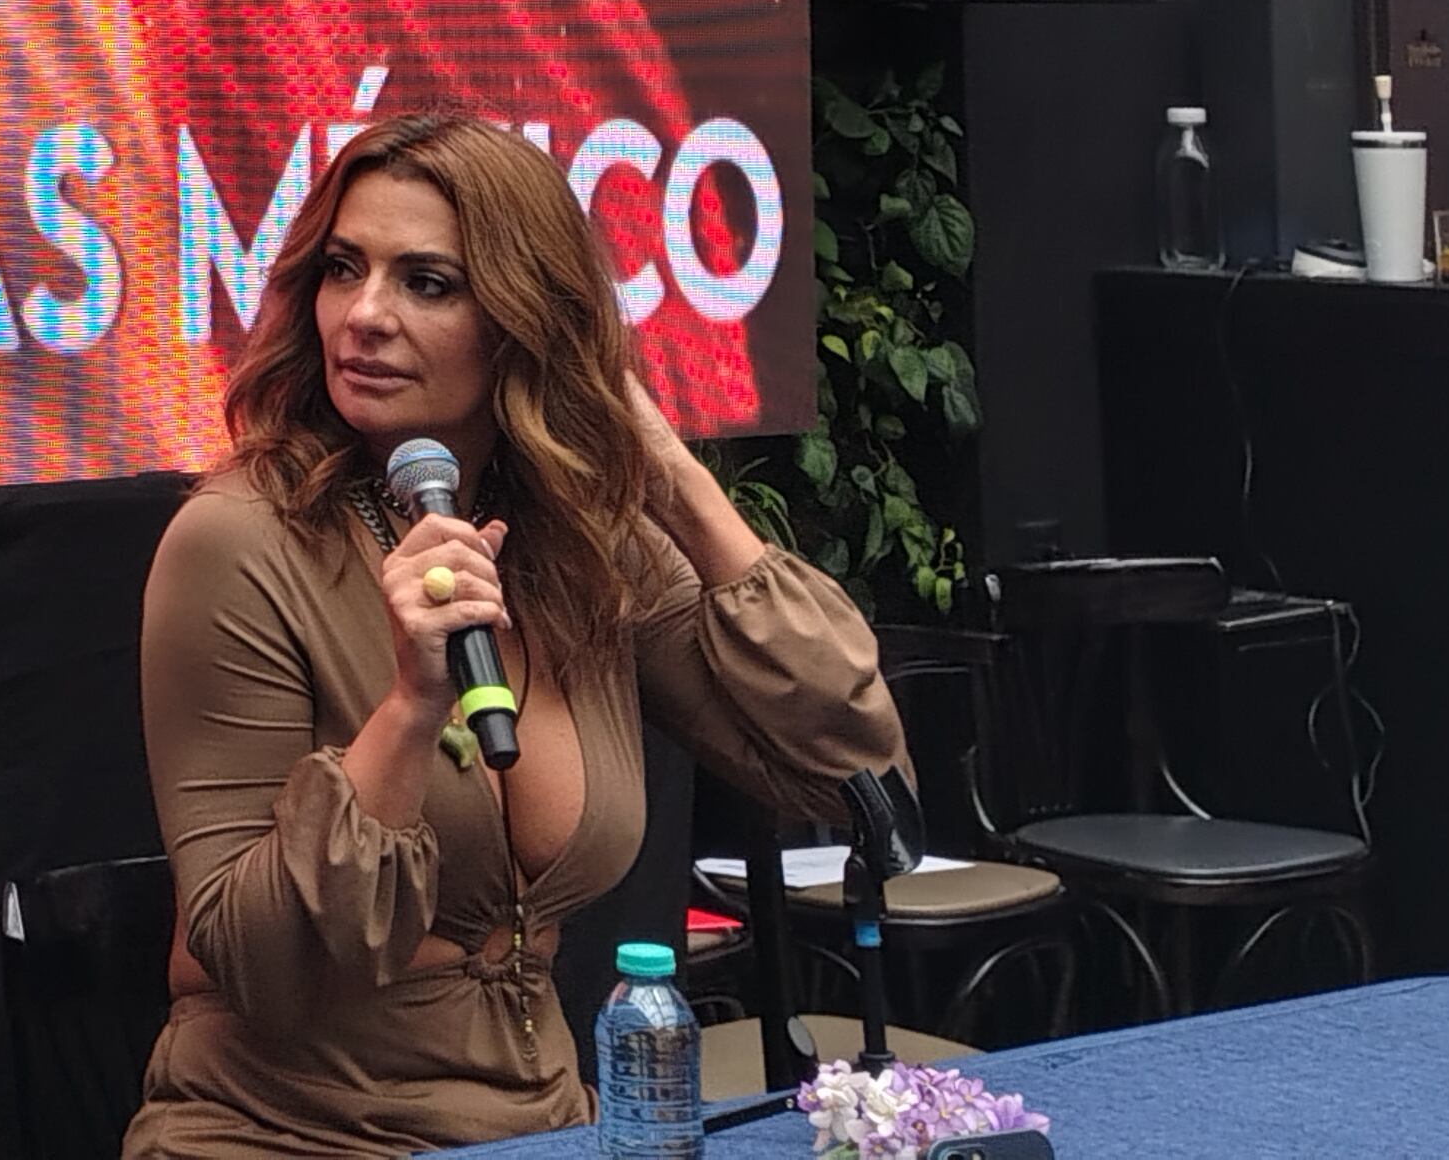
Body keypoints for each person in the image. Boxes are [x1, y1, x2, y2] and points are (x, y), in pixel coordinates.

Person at [127, 111, 900, 1156]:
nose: (363, 315)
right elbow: (259, 965)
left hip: (545, 1125)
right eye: (342, 269)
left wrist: (668, 476)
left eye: (426, 283)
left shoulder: (585, 543)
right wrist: (408, 710)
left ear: (522, 320)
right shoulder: (237, 541)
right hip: (287, 1134)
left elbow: (846, 763)